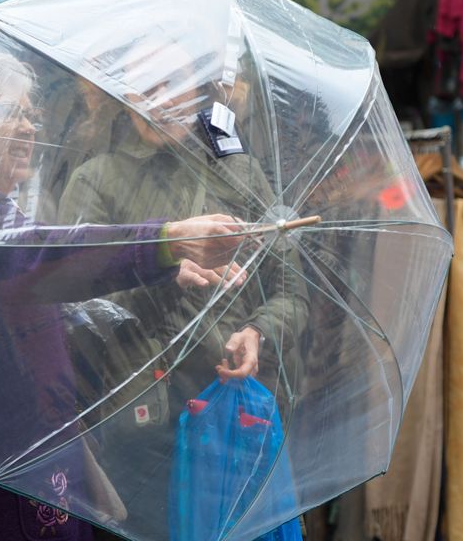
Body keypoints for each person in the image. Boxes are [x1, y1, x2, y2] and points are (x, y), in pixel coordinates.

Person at [0, 54, 249, 541]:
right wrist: (166, 239)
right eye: (13, 112)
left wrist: (167, 270)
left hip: (8, 467)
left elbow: (16, 292)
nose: (31, 127)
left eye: (32, 113)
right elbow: (33, 259)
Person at [55, 40, 309, 538]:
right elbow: (69, 300)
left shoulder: (241, 175)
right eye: (143, 85)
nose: (158, 98)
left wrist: (257, 331)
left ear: (200, 90)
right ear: (120, 96)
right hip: (136, 421)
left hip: (227, 418)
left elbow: (292, 293)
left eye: (172, 82)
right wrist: (158, 272)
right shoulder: (97, 180)